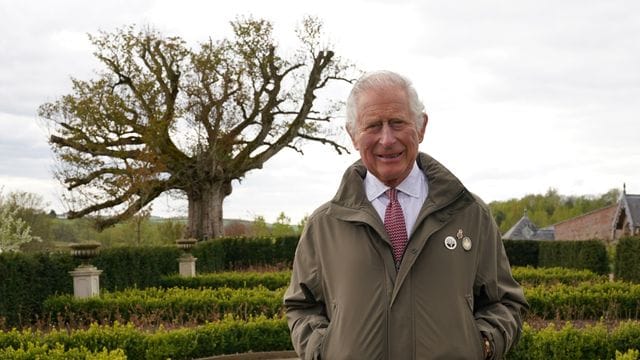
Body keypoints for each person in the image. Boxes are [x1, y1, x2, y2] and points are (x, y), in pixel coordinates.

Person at [283, 70, 528, 360]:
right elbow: (301, 306)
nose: (387, 139)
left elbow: (505, 301)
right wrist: (323, 350)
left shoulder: (470, 214)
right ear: (352, 135)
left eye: (398, 123)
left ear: (421, 127)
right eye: (373, 125)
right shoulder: (325, 224)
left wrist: (483, 345)